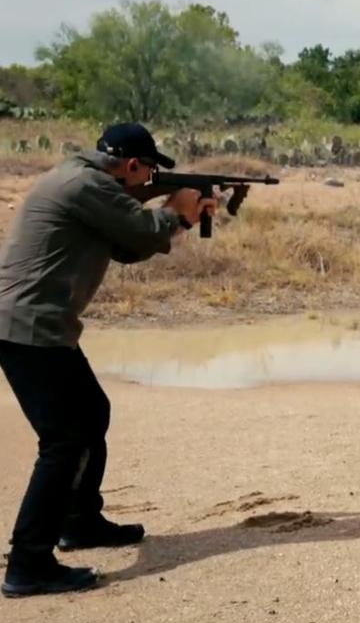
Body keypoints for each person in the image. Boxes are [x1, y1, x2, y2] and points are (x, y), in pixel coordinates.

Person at [0, 123, 214, 598]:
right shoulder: (87, 184)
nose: (148, 179)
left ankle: (80, 522)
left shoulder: (81, 179)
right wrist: (176, 215)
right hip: (28, 326)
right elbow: (143, 231)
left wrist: (172, 216)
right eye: (149, 171)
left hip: (40, 323)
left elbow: (126, 248)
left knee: (92, 413)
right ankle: (27, 562)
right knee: (64, 440)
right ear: (133, 166)